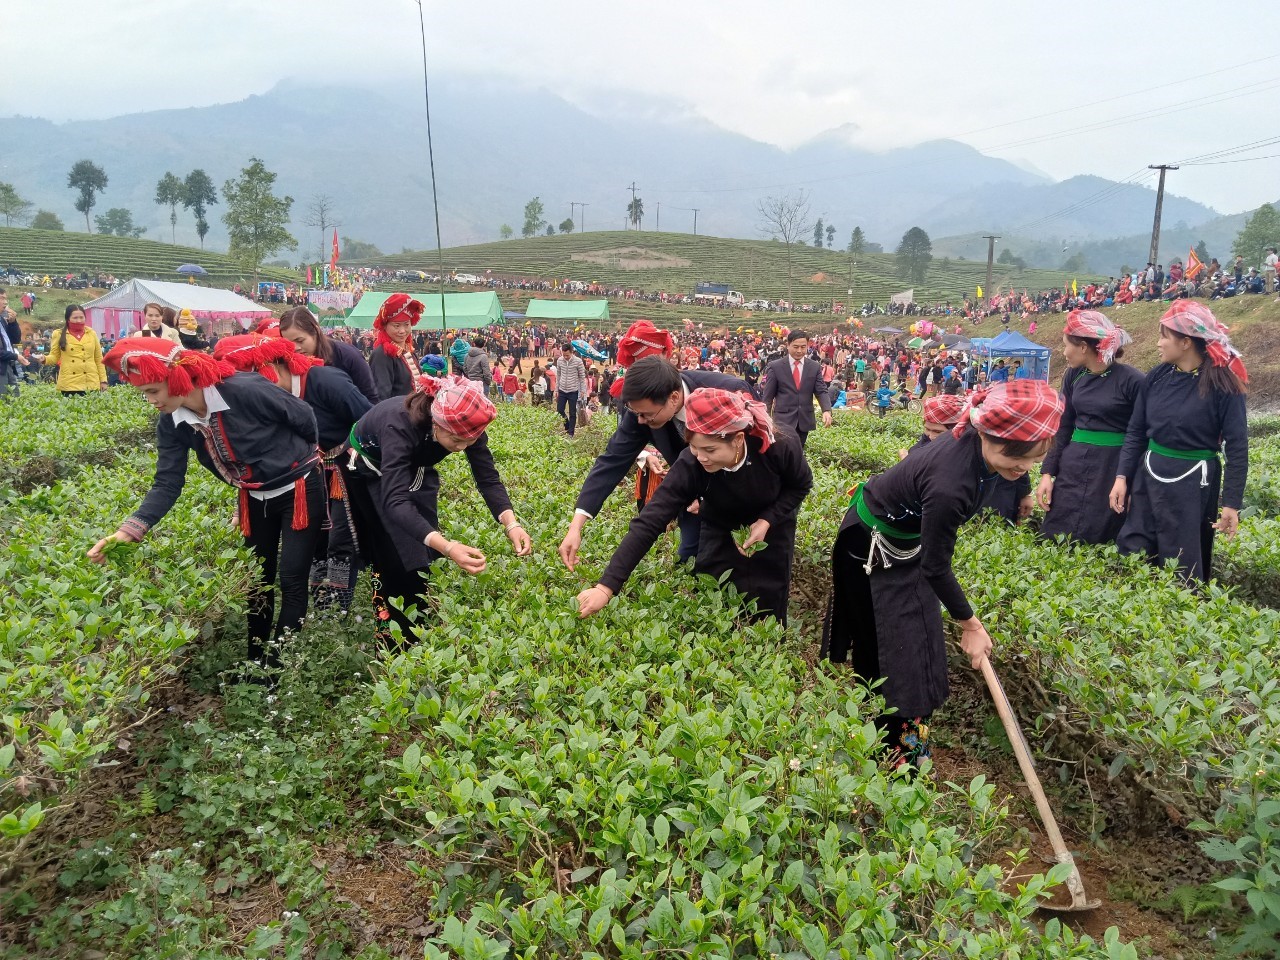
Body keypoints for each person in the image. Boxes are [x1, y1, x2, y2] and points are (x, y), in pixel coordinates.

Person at [823, 380, 1064, 769]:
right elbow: (936, 566)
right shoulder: (953, 483)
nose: (1022, 467)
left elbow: (933, 559)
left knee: (914, 655)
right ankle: (897, 757)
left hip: (904, 544)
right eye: (1013, 455)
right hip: (869, 548)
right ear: (984, 430)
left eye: (1033, 459)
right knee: (890, 653)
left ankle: (899, 750)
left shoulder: (980, 447)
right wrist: (970, 624)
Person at [88, 339, 326, 672]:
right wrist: (127, 532)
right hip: (252, 496)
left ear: (177, 378)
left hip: (299, 488)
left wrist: (296, 458)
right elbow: (167, 482)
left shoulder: (245, 390)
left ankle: (277, 669)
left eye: (154, 390)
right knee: (257, 580)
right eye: (144, 393)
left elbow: (304, 418)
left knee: (291, 578)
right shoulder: (171, 423)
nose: (151, 400)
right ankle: (255, 662)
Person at [576, 388, 811, 624]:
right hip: (720, 527)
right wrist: (605, 588)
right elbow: (650, 521)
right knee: (715, 602)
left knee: (766, 606)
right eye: (695, 448)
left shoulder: (779, 445)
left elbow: (800, 485)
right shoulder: (691, 463)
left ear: (738, 439)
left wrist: (767, 520)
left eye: (710, 450)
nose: (702, 458)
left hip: (773, 532)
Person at [343, 375, 531, 641]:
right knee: (390, 552)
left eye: (468, 442)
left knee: (423, 547)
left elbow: (487, 477)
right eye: (456, 441)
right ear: (436, 424)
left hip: (415, 463)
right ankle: (391, 635)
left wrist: (512, 524)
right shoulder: (399, 425)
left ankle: (420, 620)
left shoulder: (467, 424)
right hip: (368, 468)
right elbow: (395, 501)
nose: (462, 448)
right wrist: (448, 546)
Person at [214, 333, 374, 607]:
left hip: (344, 470)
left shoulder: (327, 380)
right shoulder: (268, 399)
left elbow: (370, 419)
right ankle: (321, 602)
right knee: (318, 541)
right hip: (308, 475)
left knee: (340, 539)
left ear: (272, 367)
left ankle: (335, 605)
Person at [559, 351, 751, 569]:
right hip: (690, 498)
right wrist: (576, 526)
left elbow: (755, 458)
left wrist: (716, 497)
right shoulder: (642, 411)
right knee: (690, 557)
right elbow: (612, 461)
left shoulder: (729, 392)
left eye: (647, 415)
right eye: (637, 413)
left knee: (743, 561)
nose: (640, 420)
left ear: (674, 398)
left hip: (737, 492)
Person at [1110, 301, 1247, 583]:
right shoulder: (1157, 377)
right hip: (1150, 475)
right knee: (1135, 547)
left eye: (1164, 337)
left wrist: (1231, 503)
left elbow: (1237, 446)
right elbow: (1136, 430)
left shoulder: (1223, 383)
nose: (1159, 343)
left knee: (1183, 561)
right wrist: (1122, 476)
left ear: (1185, 342)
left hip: (1194, 481)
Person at [1036, 311, 1142, 544]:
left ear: (1083, 347)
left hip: (1112, 466)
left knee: (1102, 537)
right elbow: (1062, 426)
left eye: (1066, 346)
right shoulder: (1074, 375)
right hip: (1074, 463)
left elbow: (1139, 434)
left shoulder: (1132, 381)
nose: (1064, 353)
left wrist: (1126, 477)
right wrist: (1047, 473)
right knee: (1056, 534)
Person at [277, 306, 379, 405]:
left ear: (316, 330)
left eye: (300, 340)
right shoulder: (283, 362)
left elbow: (371, 398)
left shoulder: (348, 355)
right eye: (288, 344)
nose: (295, 348)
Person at [761, 330, 832, 447]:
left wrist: (826, 410)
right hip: (782, 421)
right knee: (783, 454)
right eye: (796, 347)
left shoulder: (814, 367)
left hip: (804, 420)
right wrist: (765, 419)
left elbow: (821, 391)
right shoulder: (776, 367)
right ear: (788, 345)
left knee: (799, 453)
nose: (799, 351)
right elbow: (768, 397)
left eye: (803, 347)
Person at [44, 305, 107, 395]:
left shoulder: (91, 333)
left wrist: (103, 381)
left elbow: (99, 359)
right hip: (69, 384)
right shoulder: (58, 334)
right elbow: (54, 356)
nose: (79, 320)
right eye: (75, 318)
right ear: (68, 319)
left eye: (81, 317)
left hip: (91, 382)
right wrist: (44, 359)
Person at [368, 293, 422, 400]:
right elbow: (382, 397)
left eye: (406, 324)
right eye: (396, 326)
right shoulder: (382, 355)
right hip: (397, 414)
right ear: (385, 326)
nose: (402, 331)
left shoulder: (408, 350)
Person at [554, 342, 587, 436]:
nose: (565, 357)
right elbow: (558, 375)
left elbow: (581, 377)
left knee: (572, 412)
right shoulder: (560, 360)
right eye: (564, 355)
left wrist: (583, 391)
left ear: (572, 352)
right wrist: (556, 390)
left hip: (573, 390)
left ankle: (571, 433)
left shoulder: (578, 361)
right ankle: (567, 426)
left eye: (567, 355)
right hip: (562, 389)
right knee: (560, 410)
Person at [0, 289, 22, 399]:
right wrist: (16, 356)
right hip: (1, 367)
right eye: (1, 298)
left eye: (5, 298)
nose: (5, 302)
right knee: (3, 402)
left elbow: (15, 340)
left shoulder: (2, 321)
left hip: (7, 366)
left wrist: (13, 323)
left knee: (15, 400)